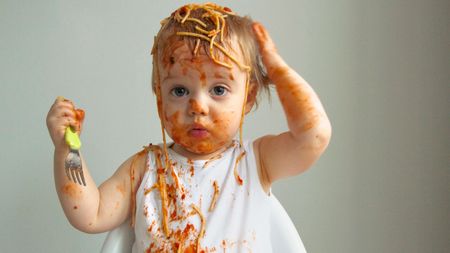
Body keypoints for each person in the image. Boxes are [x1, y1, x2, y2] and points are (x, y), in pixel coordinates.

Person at [46, 3, 332, 252]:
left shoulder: (256, 163)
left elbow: (313, 136)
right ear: (160, 98)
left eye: (218, 89)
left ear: (248, 97)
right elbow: (90, 214)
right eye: (180, 91)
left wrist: (277, 69)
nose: (198, 106)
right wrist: (68, 148)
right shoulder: (144, 169)